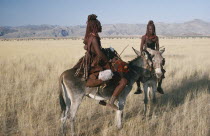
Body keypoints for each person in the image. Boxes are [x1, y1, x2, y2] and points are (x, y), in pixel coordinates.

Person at [74, 14, 128, 110]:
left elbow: (96, 50)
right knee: (123, 80)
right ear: (95, 26)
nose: (101, 26)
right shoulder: (94, 38)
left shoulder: (90, 36)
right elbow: (99, 54)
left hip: (92, 60)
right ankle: (110, 102)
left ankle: (103, 97)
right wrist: (109, 60)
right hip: (97, 63)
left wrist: (107, 51)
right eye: (99, 25)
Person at [134, 20, 165, 94]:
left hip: (154, 53)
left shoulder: (156, 38)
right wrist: (143, 54)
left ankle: (159, 86)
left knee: (160, 68)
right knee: (137, 68)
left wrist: (157, 54)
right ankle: (138, 88)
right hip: (146, 53)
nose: (151, 31)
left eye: (153, 29)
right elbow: (141, 47)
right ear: (147, 29)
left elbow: (157, 47)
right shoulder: (144, 37)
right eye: (150, 29)